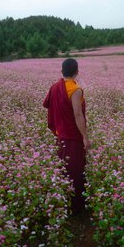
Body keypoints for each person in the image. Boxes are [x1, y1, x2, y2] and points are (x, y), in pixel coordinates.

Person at [43, 58, 91, 214]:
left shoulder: (54, 87)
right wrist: (85, 136)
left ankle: (63, 201)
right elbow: (78, 115)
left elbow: (49, 107)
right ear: (77, 72)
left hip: (61, 135)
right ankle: (77, 207)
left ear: (62, 71)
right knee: (75, 170)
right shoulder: (75, 89)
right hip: (73, 137)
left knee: (64, 168)